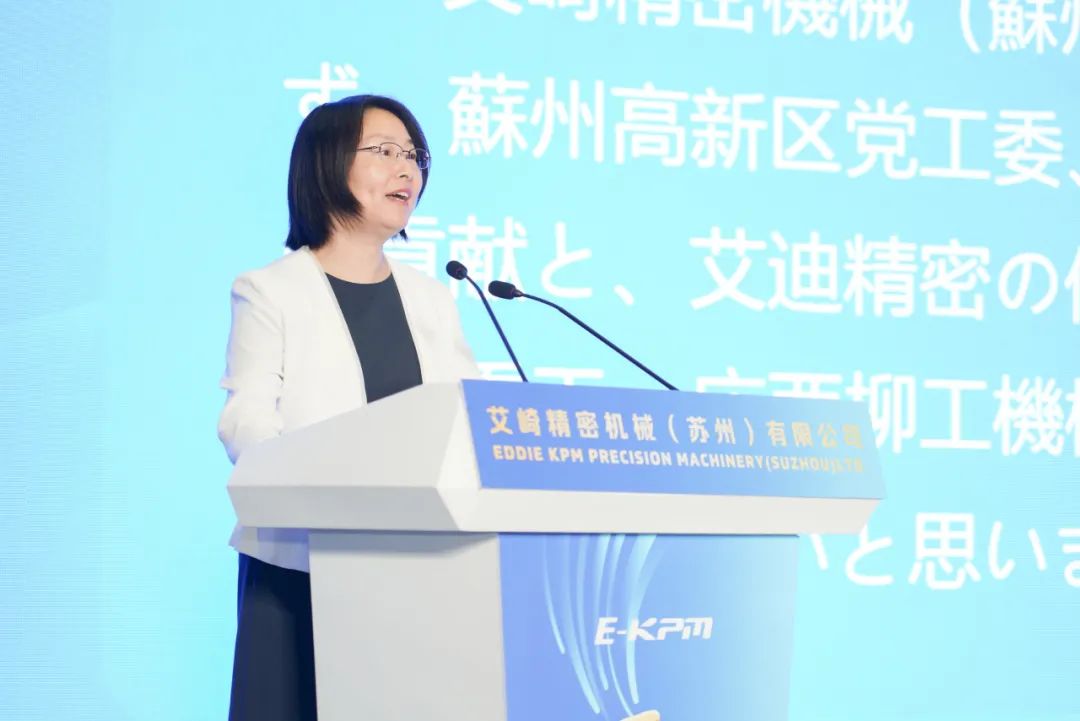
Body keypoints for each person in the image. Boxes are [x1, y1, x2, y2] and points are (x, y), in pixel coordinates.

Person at [217, 94, 480, 721]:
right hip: (302, 564)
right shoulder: (270, 290)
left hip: (416, 565)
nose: (406, 169)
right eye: (384, 151)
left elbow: (468, 419)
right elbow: (246, 420)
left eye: (414, 155)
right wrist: (318, 483)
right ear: (327, 163)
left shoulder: (431, 298)